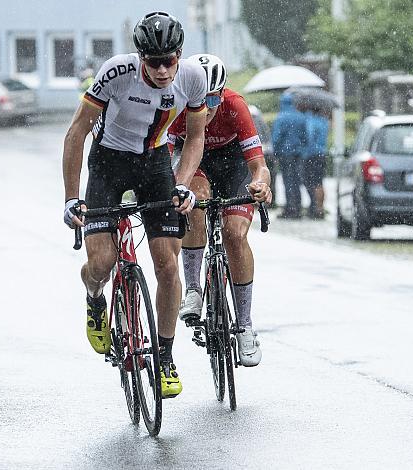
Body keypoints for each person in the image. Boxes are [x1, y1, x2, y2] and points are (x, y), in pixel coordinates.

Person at [62, 11, 207, 399]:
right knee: (102, 263)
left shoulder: (193, 78)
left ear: (180, 55)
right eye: (154, 62)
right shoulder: (116, 73)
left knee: (166, 265)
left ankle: (164, 356)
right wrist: (71, 198)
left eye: (169, 60)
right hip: (108, 164)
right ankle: (95, 298)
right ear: (140, 57)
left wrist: (182, 184)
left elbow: (195, 138)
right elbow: (76, 134)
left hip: (155, 164)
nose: (162, 70)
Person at [167, 54, 271, 367]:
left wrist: (260, 185)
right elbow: (165, 159)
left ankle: (244, 326)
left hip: (233, 165)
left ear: (222, 92)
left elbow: (258, 166)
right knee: (195, 199)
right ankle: (195, 290)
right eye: (202, 98)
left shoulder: (235, 105)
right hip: (195, 163)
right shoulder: (176, 105)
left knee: (234, 235)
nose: (209, 106)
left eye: (214, 98)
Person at [271, 93, 307, 219]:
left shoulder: (281, 117)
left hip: (285, 154)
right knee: (297, 180)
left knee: (288, 180)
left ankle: (290, 209)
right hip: (298, 154)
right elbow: (305, 137)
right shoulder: (300, 117)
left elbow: (277, 137)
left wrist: (275, 152)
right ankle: (298, 207)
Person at [301, 109, 329, 219]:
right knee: (319, 182)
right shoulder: (324, 121)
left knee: (310, 182)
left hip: (311, 155)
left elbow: (309, 137)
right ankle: (320, 208)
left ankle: (315, 208)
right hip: (322, 154)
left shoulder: (311, 121)